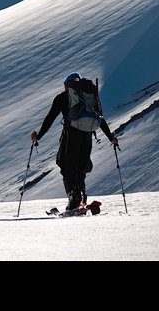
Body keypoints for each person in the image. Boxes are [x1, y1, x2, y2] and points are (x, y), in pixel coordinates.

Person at [31, 72, 119, 212]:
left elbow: (50, 118)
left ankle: (74, 196)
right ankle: (82, 199)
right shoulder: (88, 97)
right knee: (81, 168)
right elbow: (100, 118)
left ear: (67, 85)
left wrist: (38, 136)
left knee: (66, 165)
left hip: (71, 136)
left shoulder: (62, 97)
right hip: (87, 136)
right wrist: (110, 137)